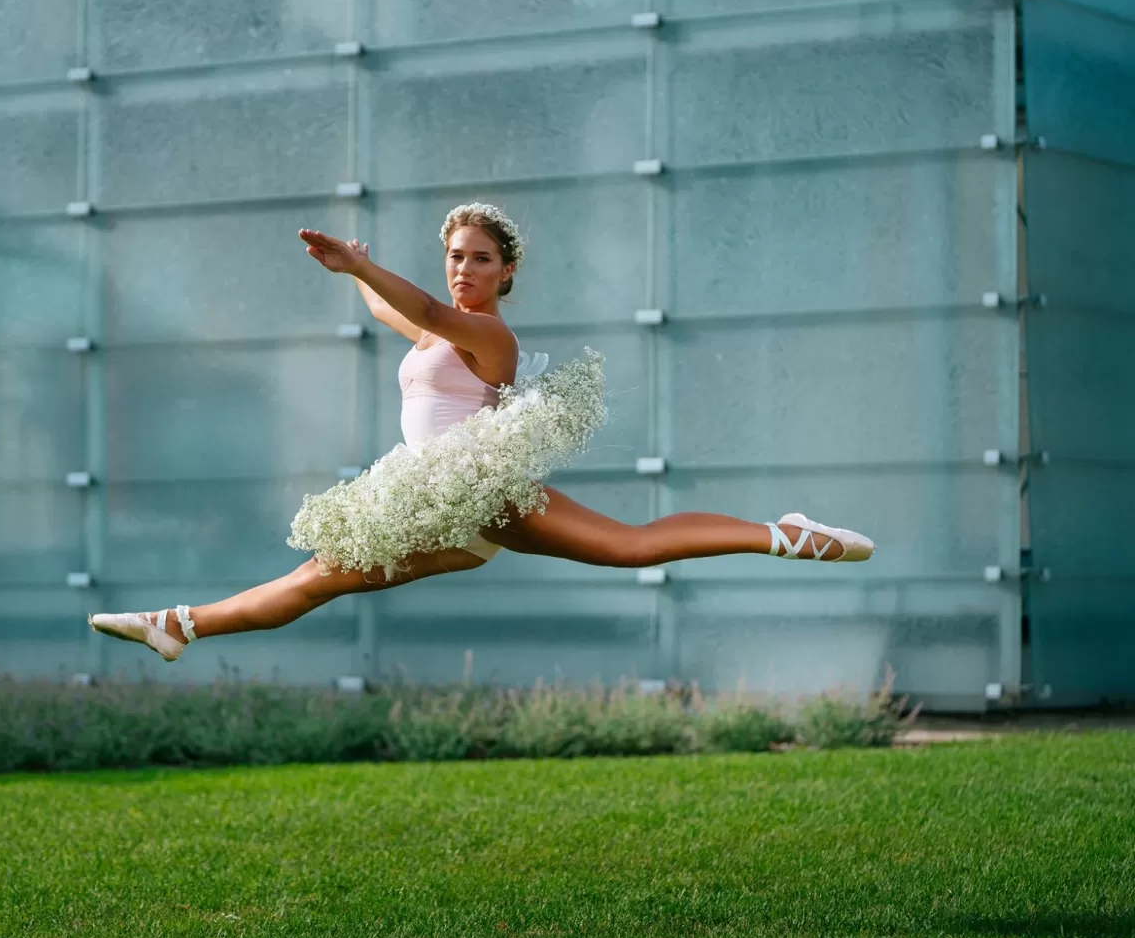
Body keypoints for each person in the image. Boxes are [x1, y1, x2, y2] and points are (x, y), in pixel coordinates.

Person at [89, 204, 873, 661]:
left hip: (488, 497)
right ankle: (180, 625)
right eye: (456, 256)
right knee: (321, 577)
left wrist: (365, 270)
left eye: (481, 259)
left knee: (632, 546)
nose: (465, 269)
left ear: (506, 274)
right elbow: (398, 313)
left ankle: (784, 533)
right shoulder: (436, 339)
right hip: (449, 516)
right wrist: (354, 269)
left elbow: (426, 310)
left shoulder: (489, 338)